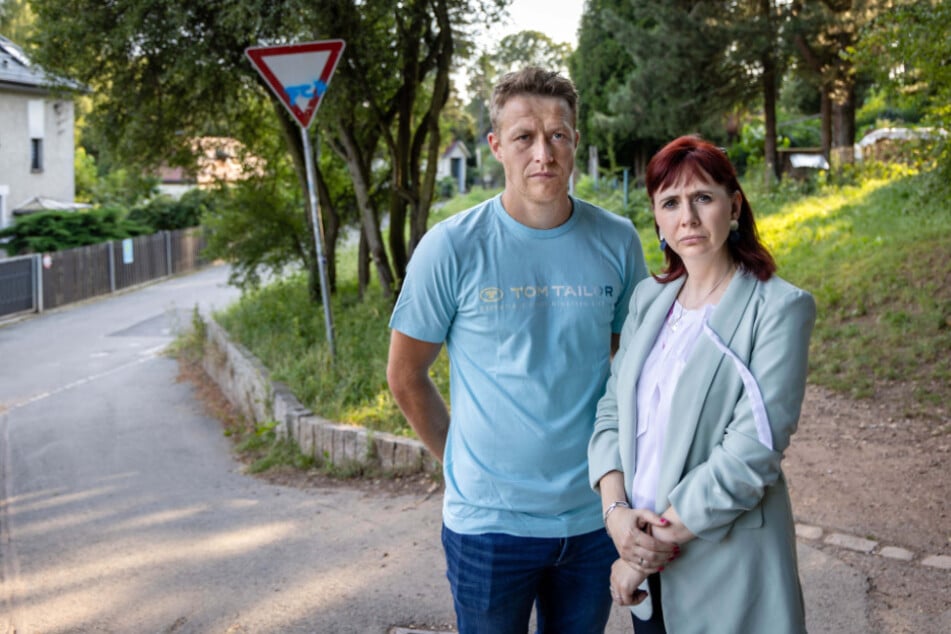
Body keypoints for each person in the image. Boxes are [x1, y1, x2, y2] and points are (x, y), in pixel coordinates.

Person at [386, 67, 649, 633]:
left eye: (558, 134)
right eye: (524, 136)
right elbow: (406, 376)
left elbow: (628, 373)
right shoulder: (451, 247)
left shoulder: (617, 240)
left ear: (576, 141)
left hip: (591, 521)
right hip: (488, 527)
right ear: (496, 146)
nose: (543, 153)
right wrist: (459, 463)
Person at [588, 135, 816, 633]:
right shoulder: (650, 299)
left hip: (726, 570)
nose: (687, 217)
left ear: (733, 206)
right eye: (670, 202)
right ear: (657, 219)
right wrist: (615, 513)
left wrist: (644, 552)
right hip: (646, 576)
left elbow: (751, 455)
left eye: (703, 198)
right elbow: (611, 411)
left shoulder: (777, 310)